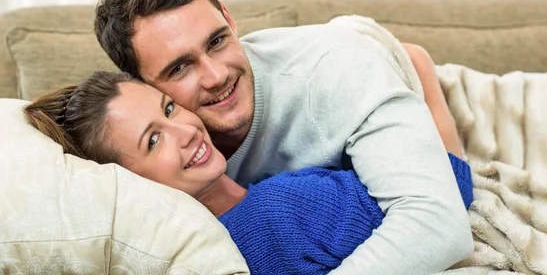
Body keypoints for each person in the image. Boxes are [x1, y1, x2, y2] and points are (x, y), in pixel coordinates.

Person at [93, 0, 473, 273]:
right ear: (142, 85)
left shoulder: (339, 73)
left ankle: (417, 63)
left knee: (457, 183)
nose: (216, 76)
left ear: (229, 17)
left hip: (369, 62)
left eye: (217, 41)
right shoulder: (140, 145)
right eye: (180, 68)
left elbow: (439, 224)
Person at [24, 70, 473, 275]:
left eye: (168, 108)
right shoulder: (274, 218)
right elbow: (451, 190)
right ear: (129, 182)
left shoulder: (247, 216)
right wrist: (424, 79)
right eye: (153, 140)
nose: (184, 129)